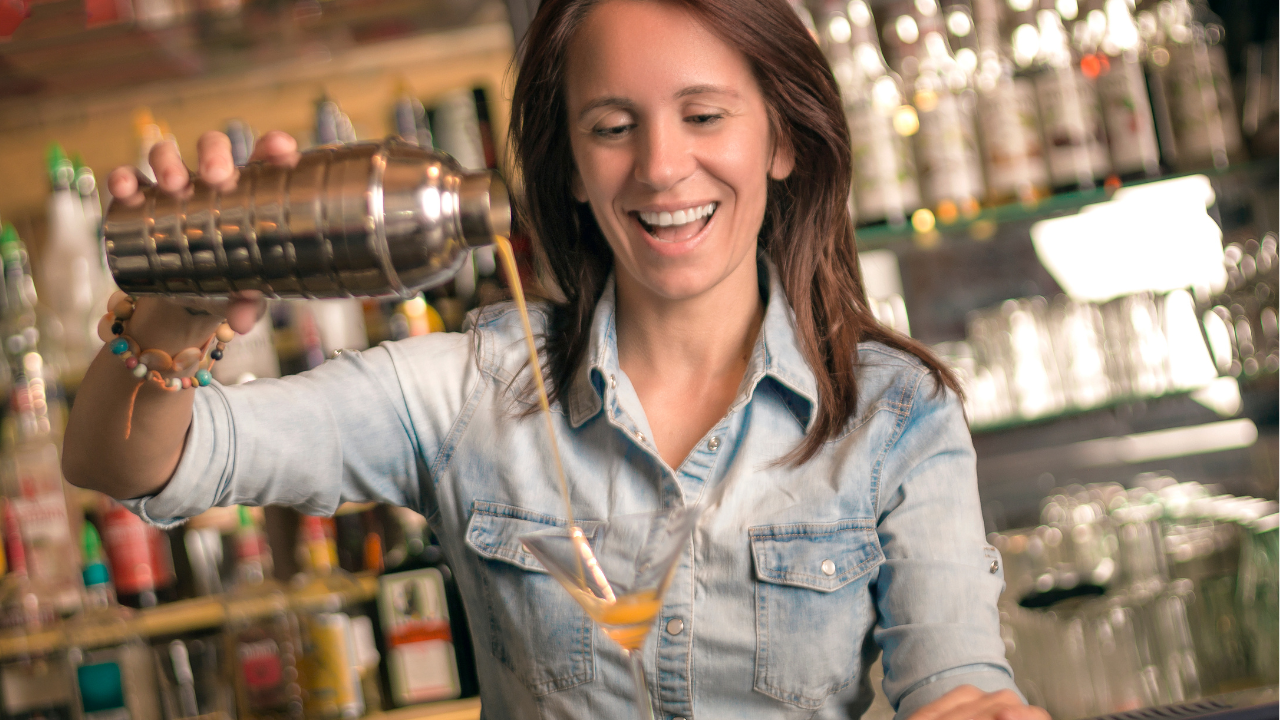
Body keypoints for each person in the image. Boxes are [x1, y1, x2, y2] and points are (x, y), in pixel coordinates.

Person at [64, 1, 1052, 718]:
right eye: (612, 127)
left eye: (703, 116)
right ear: (572, 171)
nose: (661, 166)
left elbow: (954, 681)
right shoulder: (466, 394)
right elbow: (130, 461)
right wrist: (171, 316)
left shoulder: (888, 413)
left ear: (783, 141)